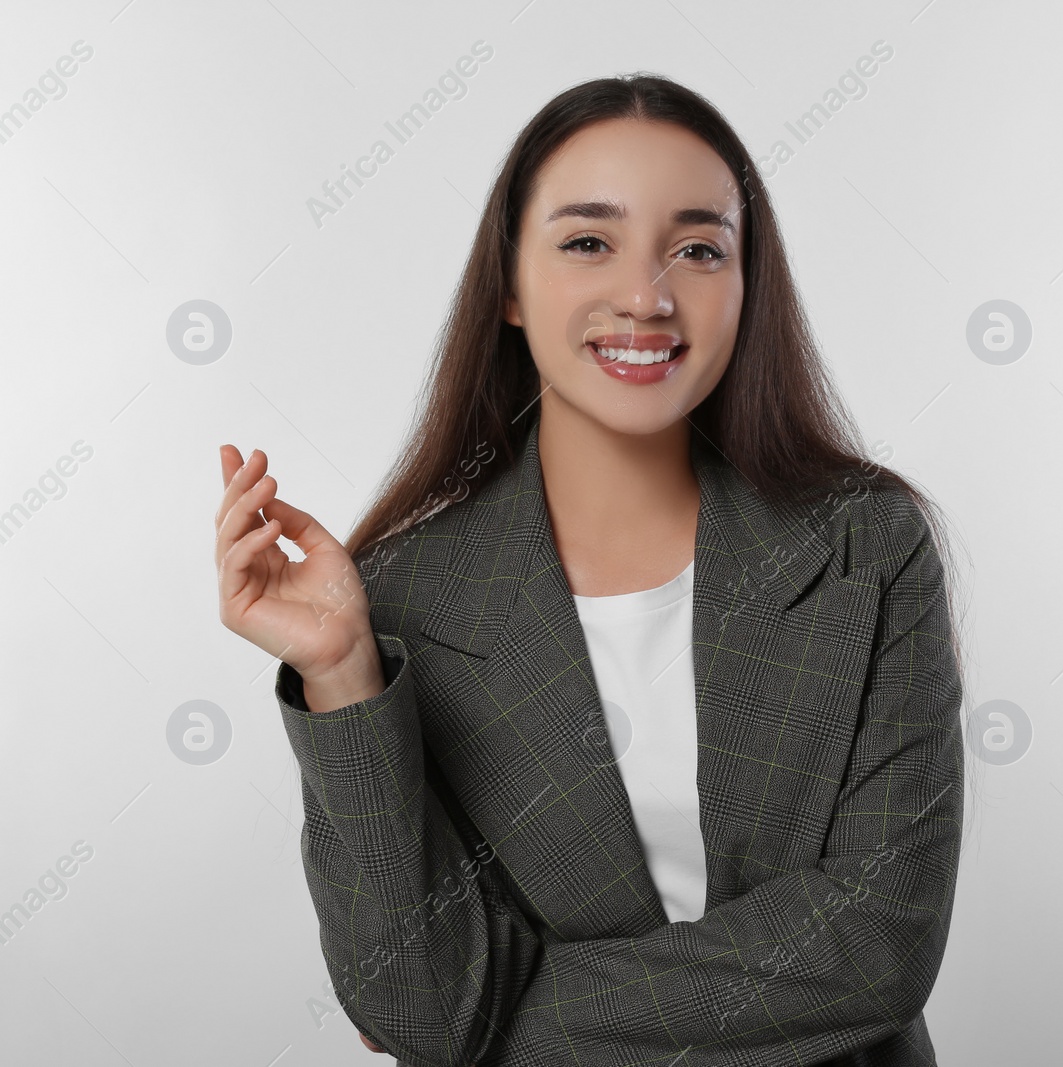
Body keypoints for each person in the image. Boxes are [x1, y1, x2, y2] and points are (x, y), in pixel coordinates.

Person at [213, 73, 968, 1065]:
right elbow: (408, 995)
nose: (645, 296)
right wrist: (344, 670)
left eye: (698, 249)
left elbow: (878, 947)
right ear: (512, 288)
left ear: (748, 285)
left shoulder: (865, 546)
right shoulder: (404, 596)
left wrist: (496, 1015)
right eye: (586, 242)